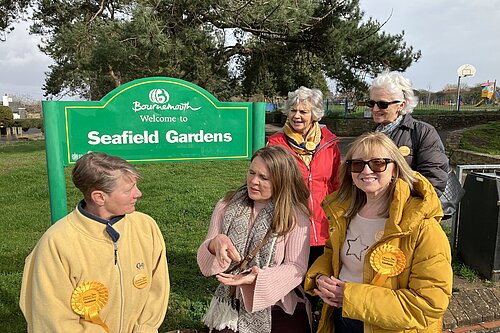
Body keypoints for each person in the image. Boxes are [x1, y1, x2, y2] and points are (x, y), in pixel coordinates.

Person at [304, 132, 453, 333]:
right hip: (341, 320)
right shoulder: (343, 214)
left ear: (395, 169)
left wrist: (349, 297)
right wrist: (321, 276)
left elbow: (428, 304)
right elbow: (332, 254)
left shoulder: (423, 227)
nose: (366, 170)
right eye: (357, 164)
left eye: (378, 163)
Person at [20, 152, 169, 333]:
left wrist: (144, 329)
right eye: (128, 190)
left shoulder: (146, 227)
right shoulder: (56, 244)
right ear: (99, 197)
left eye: (135, 186)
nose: (138, 193)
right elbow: (52, 319)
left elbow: (157, 289)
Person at [197, 145, 311, 333]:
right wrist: (212, 245)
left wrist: (258, 279)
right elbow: (205, 264)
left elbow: (296, 267)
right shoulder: (226, 205)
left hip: (278, 305)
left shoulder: (295, 215)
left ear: (282, 181)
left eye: (264, 178)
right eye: (252, 173)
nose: (253, 181)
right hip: (230, 306)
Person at [267, 86, 341, 270]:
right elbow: (269, 184)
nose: (296, 116)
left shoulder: (329, 144)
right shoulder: (276, 144)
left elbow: (337, 183)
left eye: (303, 111)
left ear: (314, 114)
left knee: (322, 274)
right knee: (293, 276)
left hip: (324, 223)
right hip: (291, 222)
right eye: (293, 110)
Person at [368, 71, 449, 197]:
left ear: (401, 105)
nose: (375, 109)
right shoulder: (370, 135)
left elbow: (433, 181)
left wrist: (405, 209)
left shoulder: (423, 133)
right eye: (371, 103)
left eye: (382, 104)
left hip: (406, 210)